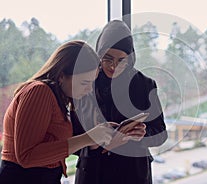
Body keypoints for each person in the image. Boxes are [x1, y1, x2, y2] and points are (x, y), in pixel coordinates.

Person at [0, 40, 114, 184]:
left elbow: (53, 147)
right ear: (61, 76)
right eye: (84, 83)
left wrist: (94, 141)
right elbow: (27, 156)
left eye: (92, 83)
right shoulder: (39, 91)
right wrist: (87, 138)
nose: (89, 89)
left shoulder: (56, 97)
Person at [73, 20, 168, 184]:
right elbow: (72, 135)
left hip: (132, 173)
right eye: (107, 59)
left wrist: (143, 135)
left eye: (121, 60)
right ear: (99, 55)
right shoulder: (85, 81)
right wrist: (94, 143)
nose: (113, 66)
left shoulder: (144, 85)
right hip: (93, 172)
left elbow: (161, 133)